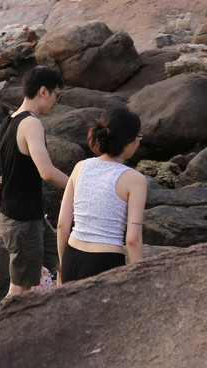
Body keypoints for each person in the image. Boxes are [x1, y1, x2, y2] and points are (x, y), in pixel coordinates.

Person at [0, 66, 69, 298]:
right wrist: (79, 184)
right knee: (20, 288)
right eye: (57, 95)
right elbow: (46, 172)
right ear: (43, 91)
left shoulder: (10, 120)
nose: (56, 102)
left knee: (64, 261)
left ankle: (62, 310)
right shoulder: (31, 123)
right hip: (22, 220)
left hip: (30, 216)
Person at [56, 109, 146, 283]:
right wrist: (140, 281)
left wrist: (62, 268)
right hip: (104, 262)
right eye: (138, 137)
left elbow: (62, 225)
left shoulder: (80, 167)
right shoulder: (135, 179)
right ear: (129, 142)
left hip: (72, 257)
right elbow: (133, 239)